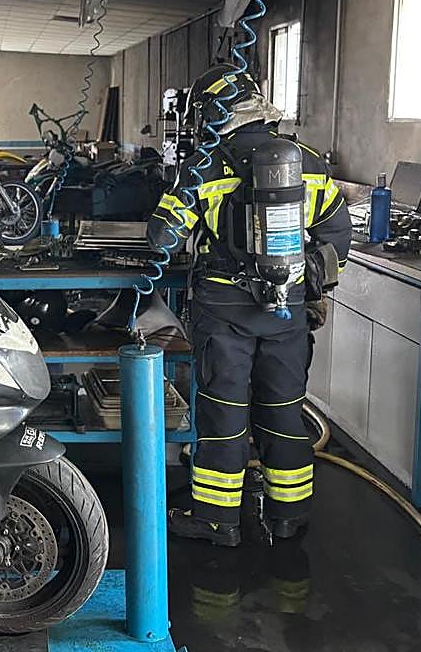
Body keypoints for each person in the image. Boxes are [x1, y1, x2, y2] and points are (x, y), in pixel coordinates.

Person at [147, 64, 350, 547]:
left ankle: (219, 521)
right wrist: (304, 286)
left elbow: (161, 236)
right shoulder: (309, 162)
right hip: (288, 314)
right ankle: (287, 516)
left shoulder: (206, 166)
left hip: (224, 314)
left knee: (223, 415)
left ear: (210, 113)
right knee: (284, 412)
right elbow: (337, 238)